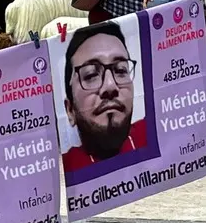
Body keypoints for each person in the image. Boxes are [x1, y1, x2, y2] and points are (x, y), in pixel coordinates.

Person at [60, 22, 146, 171]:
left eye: (120, 70)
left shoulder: (155, 132)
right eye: (91, 74)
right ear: (70, 110)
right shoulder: (64, 167)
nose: (110, 86)